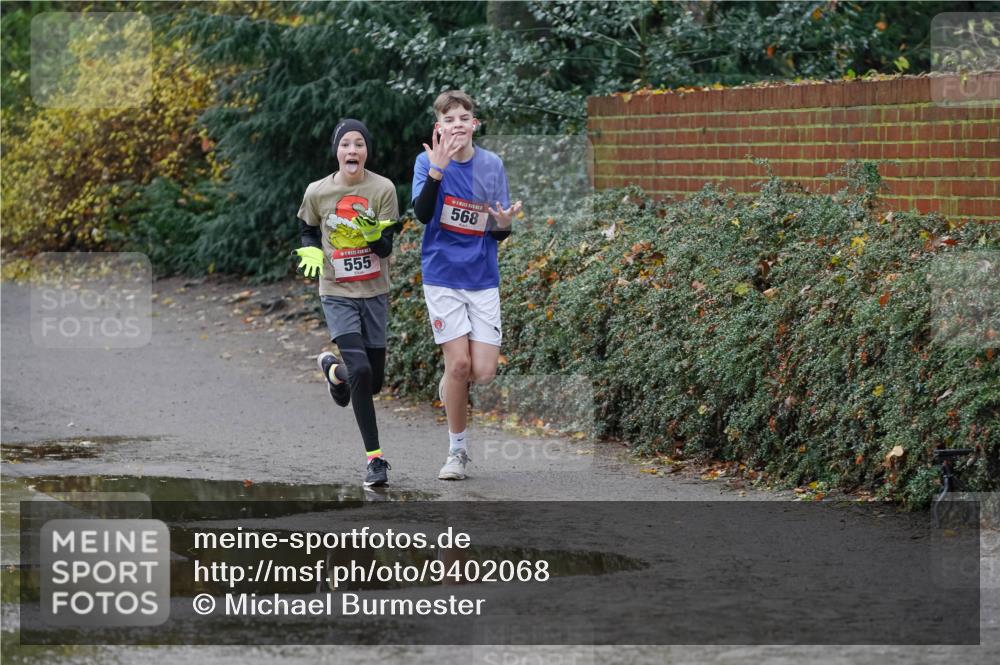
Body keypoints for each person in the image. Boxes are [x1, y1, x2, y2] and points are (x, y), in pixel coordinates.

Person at [411, 90, 522, 481]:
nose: (457, 124)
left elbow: (497, 231)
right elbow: (424, 215)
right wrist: (438, 171)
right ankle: (457, 452)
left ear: (474, 123)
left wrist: (505, 224)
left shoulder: (492, 165)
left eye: (464, 117)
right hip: (442, 275)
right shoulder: (427, 162)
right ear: (438, 127)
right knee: (458, 365)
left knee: (483, 371)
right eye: (449, 118)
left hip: (481, 277)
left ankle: (450, 386)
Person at [293, 119, 400, 487]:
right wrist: (310, 245)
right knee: (362, 371)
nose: (352, 150)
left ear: (366, 151)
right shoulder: (317, 191)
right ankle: (376, 461)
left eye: (358, 144)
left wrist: (374, 236)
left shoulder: (383, 188)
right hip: (336, 291)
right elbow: (307, 226)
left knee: (370, 382)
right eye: (345, 145)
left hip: (374, 292)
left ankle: (333, 372)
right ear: (337, 151)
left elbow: (386, 248)